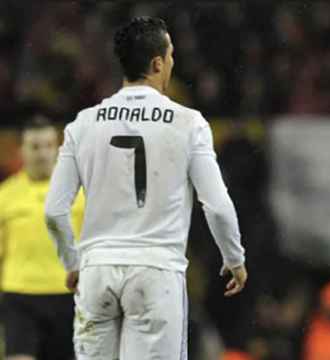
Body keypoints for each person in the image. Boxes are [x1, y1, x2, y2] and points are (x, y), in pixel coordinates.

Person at [44, 17, 247, 360]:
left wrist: (72, 261)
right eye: (170, 55)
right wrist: (234, 257)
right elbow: (216, 205)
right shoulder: (189, 124)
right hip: (155, 272)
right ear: (156, 63)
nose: (172, 62)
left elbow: (54, 210)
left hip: (97, 272)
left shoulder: (82, 124)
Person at [0, 116, 84, 360]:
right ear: (22, 151)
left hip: (70, 297)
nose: (42, 154)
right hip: (19, 295)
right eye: (35, 147)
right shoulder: (5, 195)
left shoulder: (80, 193)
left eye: (48, 146)